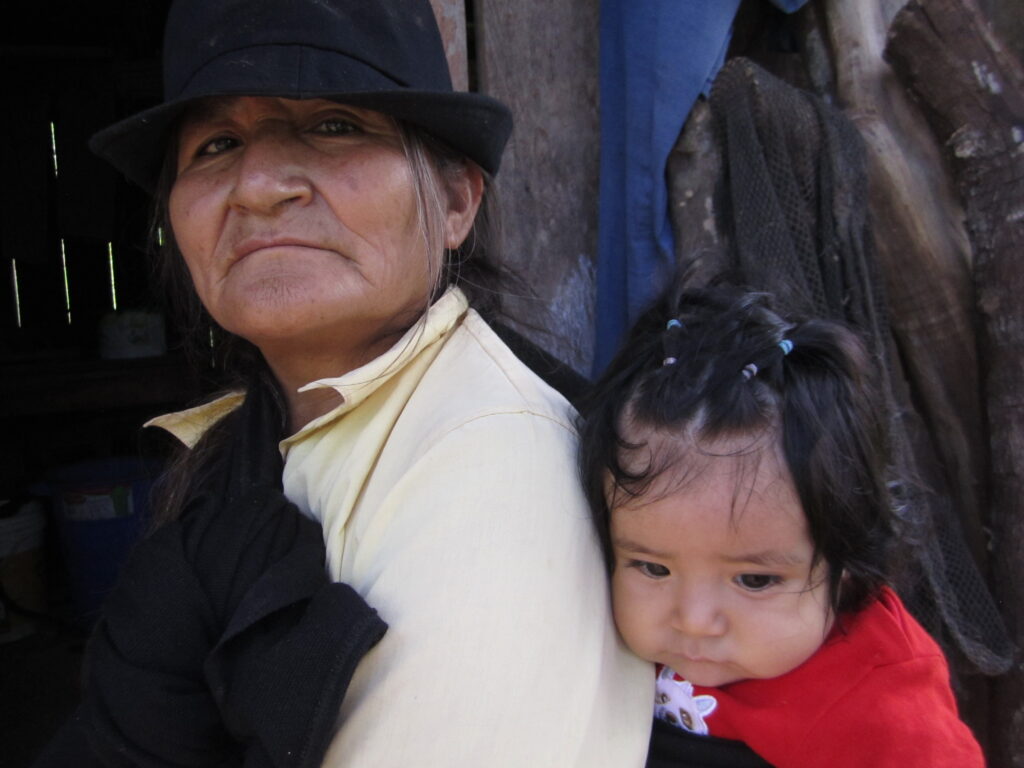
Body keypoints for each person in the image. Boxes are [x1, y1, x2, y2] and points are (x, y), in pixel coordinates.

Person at [36, 1, 652, 766]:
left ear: (456, 200)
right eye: (218, 144)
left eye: (334, 126)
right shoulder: (258, 441)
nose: (258, 184)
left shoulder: (494, 473)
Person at [578, 284, 985, 767]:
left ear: (847, 566)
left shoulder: (884, 709)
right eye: (651, 568)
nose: (694, 620)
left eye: (754, 580)